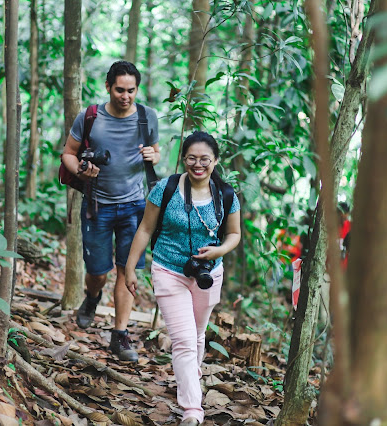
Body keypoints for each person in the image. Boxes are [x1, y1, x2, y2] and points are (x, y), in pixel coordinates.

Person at [125, 131, 241, 426]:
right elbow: (145, 229)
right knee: (185, 341)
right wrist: (130, 268)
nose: (198, 164)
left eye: (204, 159)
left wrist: (219, 250)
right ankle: (192, 410)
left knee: (198, 335)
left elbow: (234, 234)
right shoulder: (165, 189)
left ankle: (190, 378)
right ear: (183, 159)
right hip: (169, 270)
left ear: (215, 160)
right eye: (191, 158)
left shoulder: (226, 195)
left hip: (208, 274)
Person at [61, 61, 160, 362]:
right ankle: (92, 297)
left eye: (131, 90)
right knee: (97, 272)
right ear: (108, 87)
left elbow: (155, 152)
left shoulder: (147, 116)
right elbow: (68, 153)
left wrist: (153, 155)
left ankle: (120, 335)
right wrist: (80, 169)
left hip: (135, 207)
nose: (125, 96)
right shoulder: (90, 117)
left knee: (127, 270)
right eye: (119, 90)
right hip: (97, 206)